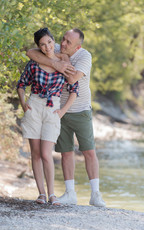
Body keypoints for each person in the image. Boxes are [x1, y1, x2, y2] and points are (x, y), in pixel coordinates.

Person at [26, 28, 106, 207]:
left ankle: (95, 194)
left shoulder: (85, 56)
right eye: (63, 39)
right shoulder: (54, 49)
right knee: (66, 152)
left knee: (89, 151)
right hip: (58, 110)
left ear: (77, 46)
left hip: (80, 110)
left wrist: (59, 63)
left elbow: (72, 79)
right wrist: (56, 62)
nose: (62, 44)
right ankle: (70, 193)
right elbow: (30, 52)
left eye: (68, 42)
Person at [17, 28, 78, 206]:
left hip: (53, 108)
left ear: (54, 41)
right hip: (34, 106)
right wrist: (22, 103)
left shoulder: (65, 63)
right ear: (39, 47)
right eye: (42, 44)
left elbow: (74, 90)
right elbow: (21, 84)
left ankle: (52, 194)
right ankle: (41, 194)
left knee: (46, 153)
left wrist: (63, 111)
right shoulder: (34, 63)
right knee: (35, 153)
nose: (47, 46)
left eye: (49, 42)